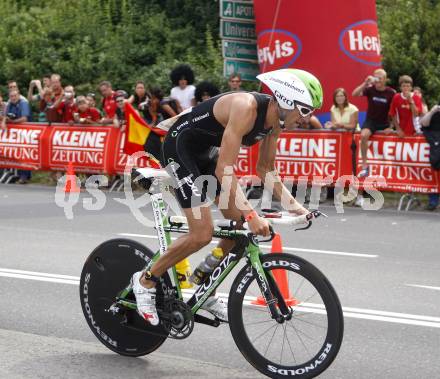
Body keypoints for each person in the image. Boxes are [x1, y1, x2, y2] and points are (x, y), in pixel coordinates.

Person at [131, 68, 323, 325]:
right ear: (287, 102)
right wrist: (252, 213)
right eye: (306, 110)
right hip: (179, 148)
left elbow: (266, 170)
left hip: (205, 155)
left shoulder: (275, 123)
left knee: (240, 227)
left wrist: (299, 209)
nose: (307, 119)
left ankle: (205, 283)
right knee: (202, 233)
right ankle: (145, 280)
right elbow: (225, 170)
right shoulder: (246, 108)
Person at [352, 68, 396, 177]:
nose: (377, 80)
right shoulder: (370, 89)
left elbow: (395, 111)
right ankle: (364, 165)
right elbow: (354, 94)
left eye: (380, 78)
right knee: (363, 135)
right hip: (371, 121)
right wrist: (365, 83)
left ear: (385, 79)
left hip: (384, 122)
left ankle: (390, 169)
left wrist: (391, 127)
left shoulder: (391, 92)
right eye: (376, 78)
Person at [1, 90, 32, 183]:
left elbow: (24, 118)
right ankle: (17, 174)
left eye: (15, 96)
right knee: (16, 153)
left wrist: (12, 122)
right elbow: (5, 116)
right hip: (15, 134)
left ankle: (25, 176)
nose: (13, 98)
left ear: (19, 95)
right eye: (11, 96)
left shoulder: (23, 103)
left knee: (25, 153)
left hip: (26, 133)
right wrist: (4, 121)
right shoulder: (9, 104)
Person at [420, 105, 440, 210]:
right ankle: (434, 200)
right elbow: (423, 123)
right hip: (434, 153)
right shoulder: (435, 111)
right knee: (433, 175)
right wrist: (432, 112)